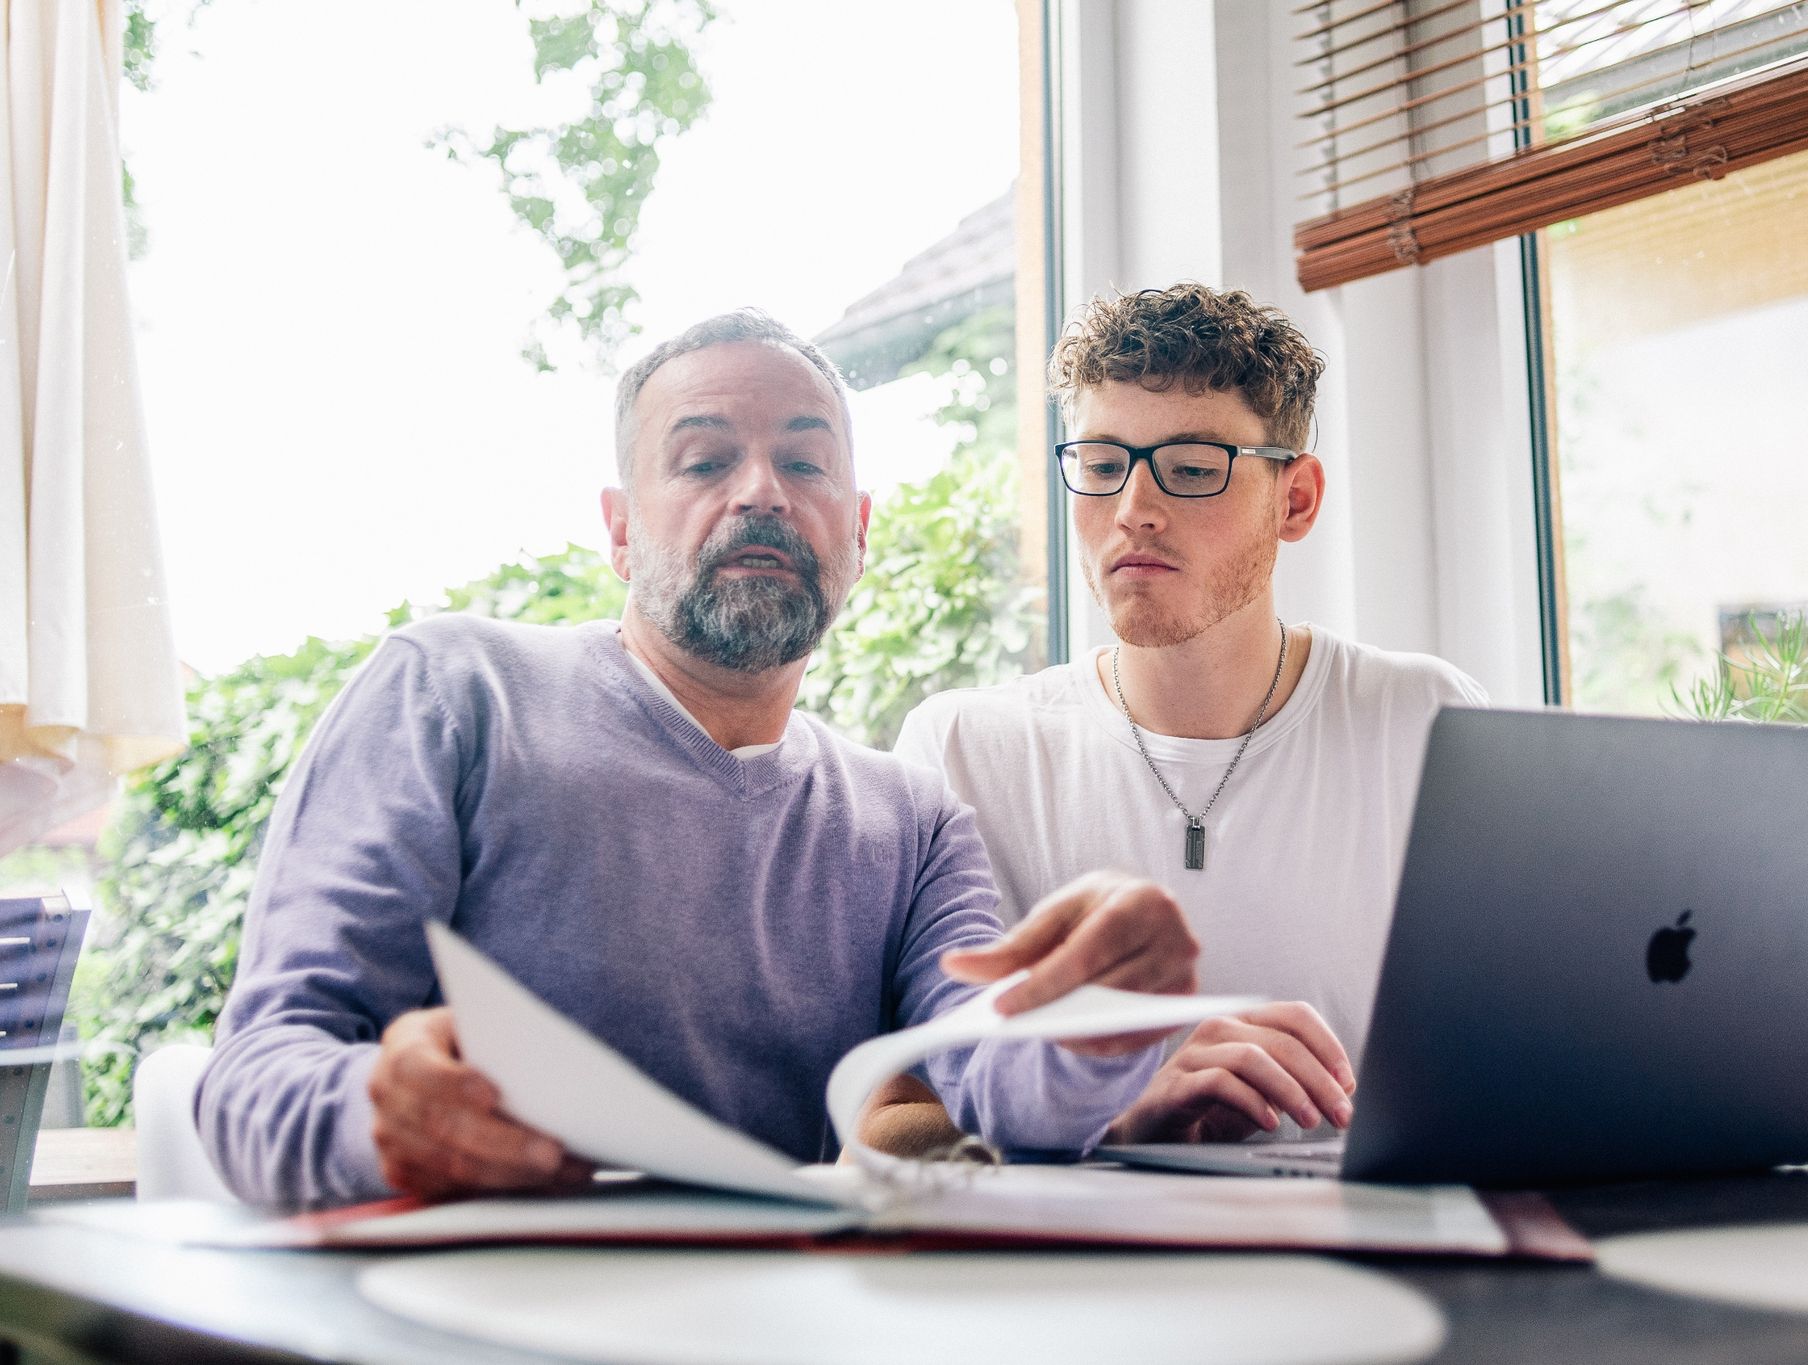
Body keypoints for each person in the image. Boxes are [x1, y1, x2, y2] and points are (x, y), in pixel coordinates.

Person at [197, 310, 1200, 1211]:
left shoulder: (912, 822)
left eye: (805, 466)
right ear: (621, 532)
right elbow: (252, 1077)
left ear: (856, 532)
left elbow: (990, 1092)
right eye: (704, 461)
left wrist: (1101, 1025)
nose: (760, 492)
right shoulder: (454, 692)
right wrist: (371, 1112)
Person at [883, 284, 1486, 1148]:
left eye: (1194, 468)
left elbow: (1509, 1070)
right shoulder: (965, 751)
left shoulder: (1428, 722)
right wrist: (1113, 1108)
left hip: (1371, 1256)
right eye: (1100, 465)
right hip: (1085, 1275)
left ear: (1297, 501)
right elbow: (887, 1124)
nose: (1133, 508)